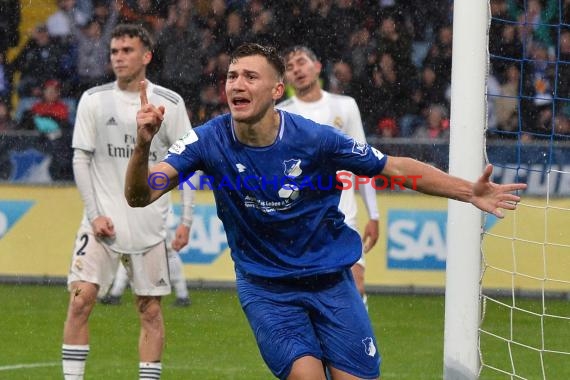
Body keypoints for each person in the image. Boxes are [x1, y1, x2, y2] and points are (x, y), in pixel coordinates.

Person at [125, 43, 526, 380]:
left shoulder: (315, 139)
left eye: (250, 76)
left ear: (276, 89)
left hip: (331, 282)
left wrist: (467, 191)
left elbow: (395, 167)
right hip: (267, 289)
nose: (237, 84)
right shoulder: (205, 141)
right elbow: (141, 194)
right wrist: (143, 145)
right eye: (232, 76)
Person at [62, 24, 192, 380]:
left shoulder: (171, 103)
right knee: (81, 298)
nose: (118, 57)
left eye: (127, 51)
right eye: (114, 51)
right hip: (102, 221)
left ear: (146, 56)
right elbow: (80, 160)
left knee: (149, 310)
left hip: (149, 224)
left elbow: (188, 163)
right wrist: (95, 214)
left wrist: (186, 220)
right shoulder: (93, 99)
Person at [277, 45, 379, 309]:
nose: (296, 69)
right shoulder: (282, 114)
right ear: (285, 78)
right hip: (301, 218)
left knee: (355, 286)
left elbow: (365, 162)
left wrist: (374, 215)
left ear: (318, 66)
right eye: (289, 67)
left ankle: (359, 348)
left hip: (344, 213)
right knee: (309, 296)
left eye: (301, 62)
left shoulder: (344, 106)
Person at [100, 201, 193, 307]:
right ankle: (115, 294)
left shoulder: (161, 194)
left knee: (169, 254)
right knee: (128, 255)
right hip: (142, 226)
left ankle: (182, 296)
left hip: (158, 227)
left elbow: (169, 221)